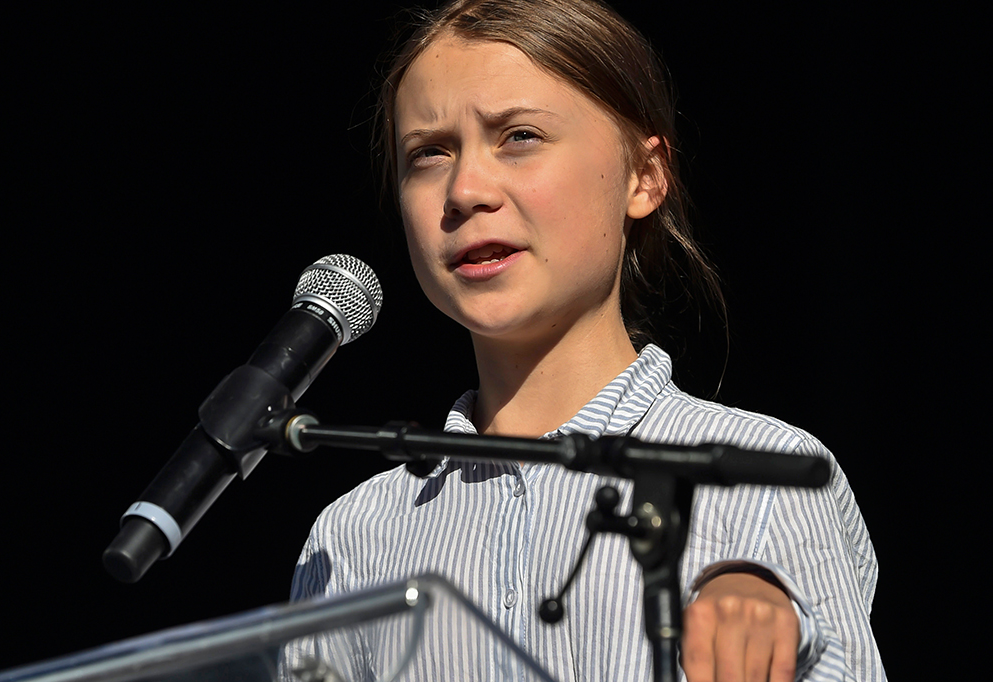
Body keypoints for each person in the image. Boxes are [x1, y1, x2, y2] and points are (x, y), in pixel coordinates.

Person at [284, 1, 885, 680]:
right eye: (428, 153)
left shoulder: (767, 478)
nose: (465, 188)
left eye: (519, 136)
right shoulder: (353, 539)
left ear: (644, 176)